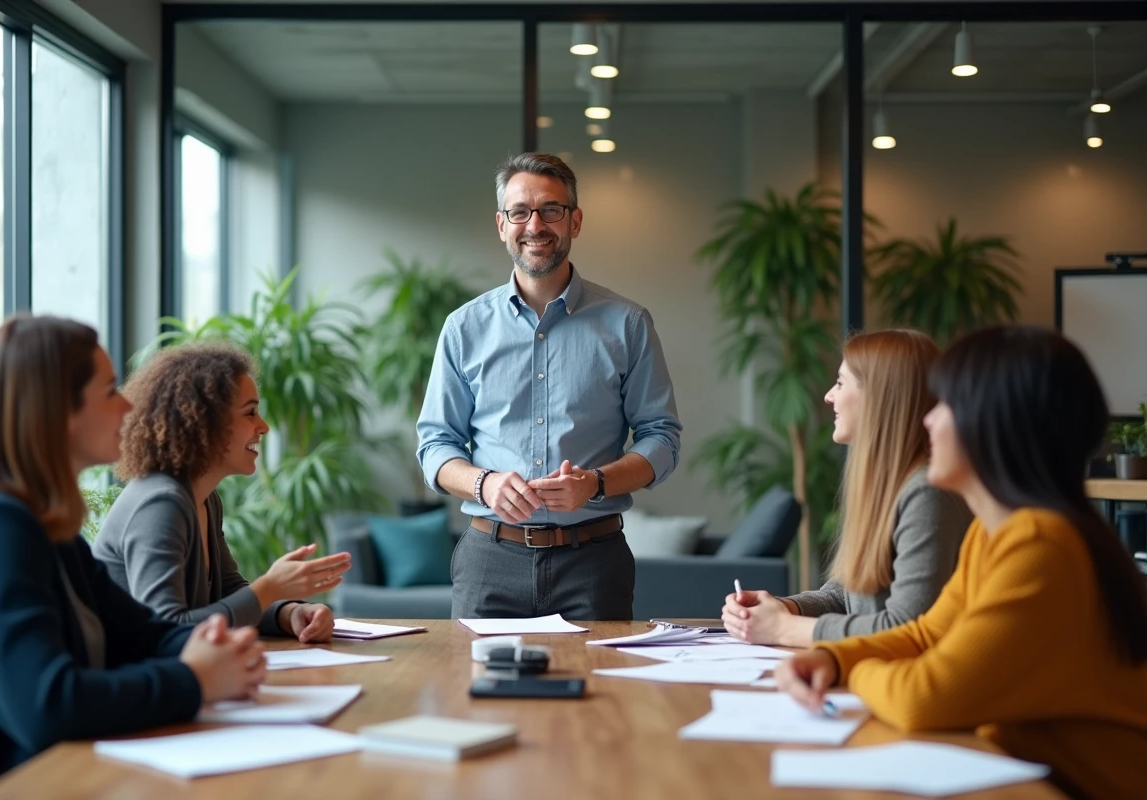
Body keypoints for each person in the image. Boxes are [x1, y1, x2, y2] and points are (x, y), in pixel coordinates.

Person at [776, 326, 1147, 798]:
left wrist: (853, 668)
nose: (927, 420)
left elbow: (923, 696)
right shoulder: (996, 537)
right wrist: (829, 657)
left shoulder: (1041, 547)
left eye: (945, 405)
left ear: (993, 425)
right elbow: (926, 634)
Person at [0, 316, 265, 799]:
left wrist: (213, 647)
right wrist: (193, 679)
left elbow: (141, 633)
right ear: (56, 410)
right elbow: (48, 705)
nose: (129, 405)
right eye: (110, 390)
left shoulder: (46, 527)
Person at [417, 152, 682, 620]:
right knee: (476, 694)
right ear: (502, 225)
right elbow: (435, 445)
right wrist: (484, 483)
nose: (535, 225)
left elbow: (662, 439)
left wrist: (596, 483)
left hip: (593, 563)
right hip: (489, 562)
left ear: (574, 221)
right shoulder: (463, 328)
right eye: (520, 212)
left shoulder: (628, 324)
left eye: (551, 210)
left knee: (601, 693)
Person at [722, 330, 971, 646]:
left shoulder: (927, 494)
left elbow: (906, 627)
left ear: (880, 396)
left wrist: (784, 628)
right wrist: (785, 607)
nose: (829, 396)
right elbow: (849, 595)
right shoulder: (885, 486)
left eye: (840, 383)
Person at [94, 342, 350, 643]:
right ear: (204, 420)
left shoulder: (203, 499)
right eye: (250, 413)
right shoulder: (160, 503)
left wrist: (288, 613)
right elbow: (165, 630)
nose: (264, 426)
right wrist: (269, 587)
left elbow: (229, 594)